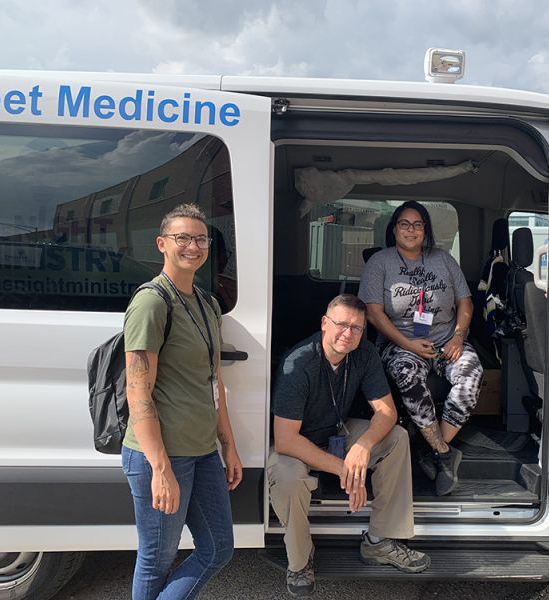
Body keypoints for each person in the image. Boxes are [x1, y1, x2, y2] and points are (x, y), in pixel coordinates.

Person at [269, 294, 430, 597]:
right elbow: (285, 439)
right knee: (286, 477)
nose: (348, 333)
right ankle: (300, 560)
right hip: (299, 442)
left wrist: (363, 446)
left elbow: (386, 411)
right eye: (341, 324)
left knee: (396, 438)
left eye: (356, 328)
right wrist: (347, 470)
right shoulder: (298, 363)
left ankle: (380, 541)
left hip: (337, 431)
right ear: (324, 323)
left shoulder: (364, 352)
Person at [122, 203, 242, 599]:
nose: (193, 246)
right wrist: (160, 468)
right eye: (183, 238)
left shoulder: (207, 304)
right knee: (157, 558)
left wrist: (228, 444)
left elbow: (214, 381)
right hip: (162, 454)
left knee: (219, 548)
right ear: (162, 244)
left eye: (201, 239)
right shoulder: (152, 302)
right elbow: (138, 390)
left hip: (203, 451)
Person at [358, 200, 483, 496]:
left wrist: (458, 336)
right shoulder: (381, 262)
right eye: (404, 224)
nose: (411, 230)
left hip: (446, 341)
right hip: (400, 343)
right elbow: (373, 313)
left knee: (472, 375)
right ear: (394, 229)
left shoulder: (443, 259)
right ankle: (443, 453)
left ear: (425, 230)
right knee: (407, 374)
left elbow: (465, 302)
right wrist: (408, 344)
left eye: (417, 224)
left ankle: (436, 449)